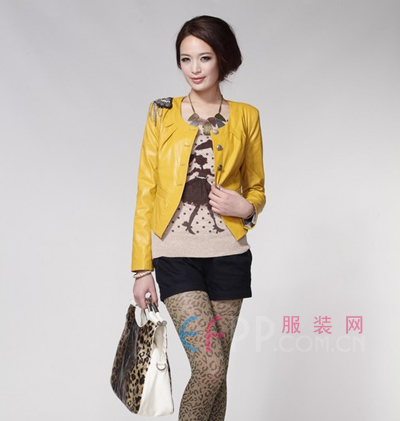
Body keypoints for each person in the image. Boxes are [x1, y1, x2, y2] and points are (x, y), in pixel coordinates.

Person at [131, 15, 266, 421]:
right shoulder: (161, 113)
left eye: (204, 58)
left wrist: (247, 208)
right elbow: (146, 190)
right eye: (185, 59)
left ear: (222, 58)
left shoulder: (246, 116)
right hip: (176, 256)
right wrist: (141, 268)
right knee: (209, 366)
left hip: (229, 255)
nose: (194, 68)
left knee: (217, 374)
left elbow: (256, 187)